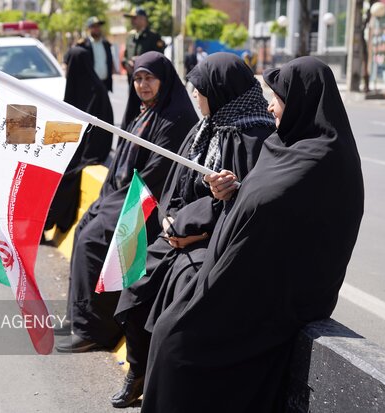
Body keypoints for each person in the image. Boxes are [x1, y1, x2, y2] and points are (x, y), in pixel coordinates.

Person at [142, 56, 365, 412]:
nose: (271, 106)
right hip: (247, 272)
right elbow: (261, 200)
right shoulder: (286, 146)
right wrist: (231, 192)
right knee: (170, 327)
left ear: (302, 100)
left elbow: (289, 220)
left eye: (278, 97)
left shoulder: (325, 159)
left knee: (179, 346)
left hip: (279, 292)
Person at [110, 52, 276, 408]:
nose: (196, 97)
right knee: (136, 283)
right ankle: (137, 371)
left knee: (179, 297)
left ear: (218, 90)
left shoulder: (254, 137)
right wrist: (170, 221)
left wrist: (194, 233)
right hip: (180, 234)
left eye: (199, 90)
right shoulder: (206, 128)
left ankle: (166, 384)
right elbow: (175, 187)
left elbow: (246, 206)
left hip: (214, 243)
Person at [56, 52, 199, 353]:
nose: (143, 85)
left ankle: (95, 329)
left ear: (164, 80)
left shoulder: (174, 118)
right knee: (84, 228)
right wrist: (105, 198)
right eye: (137, 78)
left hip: (150, 203)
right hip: (124, 194)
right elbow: (120, 160)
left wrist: (114, 203)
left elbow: (156, 175)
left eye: (149, 78)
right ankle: (78, 317)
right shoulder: (144, 111)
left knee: (94, 241)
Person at [43, 46, 114, 235]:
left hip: (90, 150)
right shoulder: (74, 88)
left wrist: (83, 155)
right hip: (75, 146)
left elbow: (101, 131)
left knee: (66, 176)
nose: (66, 71)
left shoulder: (97, 91)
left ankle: (49, 223)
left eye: (68, 66)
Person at [122, 7, 165, 83]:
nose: (132, 21)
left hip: (148, 82)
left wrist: (142, 61)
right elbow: (125, 57)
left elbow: (160, 58)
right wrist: (127, 63)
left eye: (134, 18)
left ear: (143, 19)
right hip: (132, 80)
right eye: (131, 18)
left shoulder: (153, 37)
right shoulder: (130, 37)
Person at [75, 16, 115, 92]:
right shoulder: (83, 45)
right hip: (90, 85)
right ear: (88, 29)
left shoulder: (106, 44)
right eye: (94, 26)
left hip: (104, 83)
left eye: (98, 26)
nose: (97, 28)